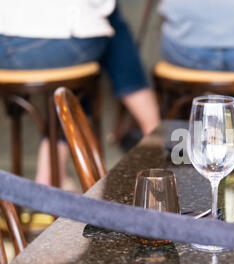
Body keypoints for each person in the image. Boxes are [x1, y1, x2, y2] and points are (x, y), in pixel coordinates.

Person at [0, 0, 161, 186]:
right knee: (107, 24)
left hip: (4, 44)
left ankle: (51, 176)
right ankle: (154, 130)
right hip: (54, 43)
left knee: (91, 41)